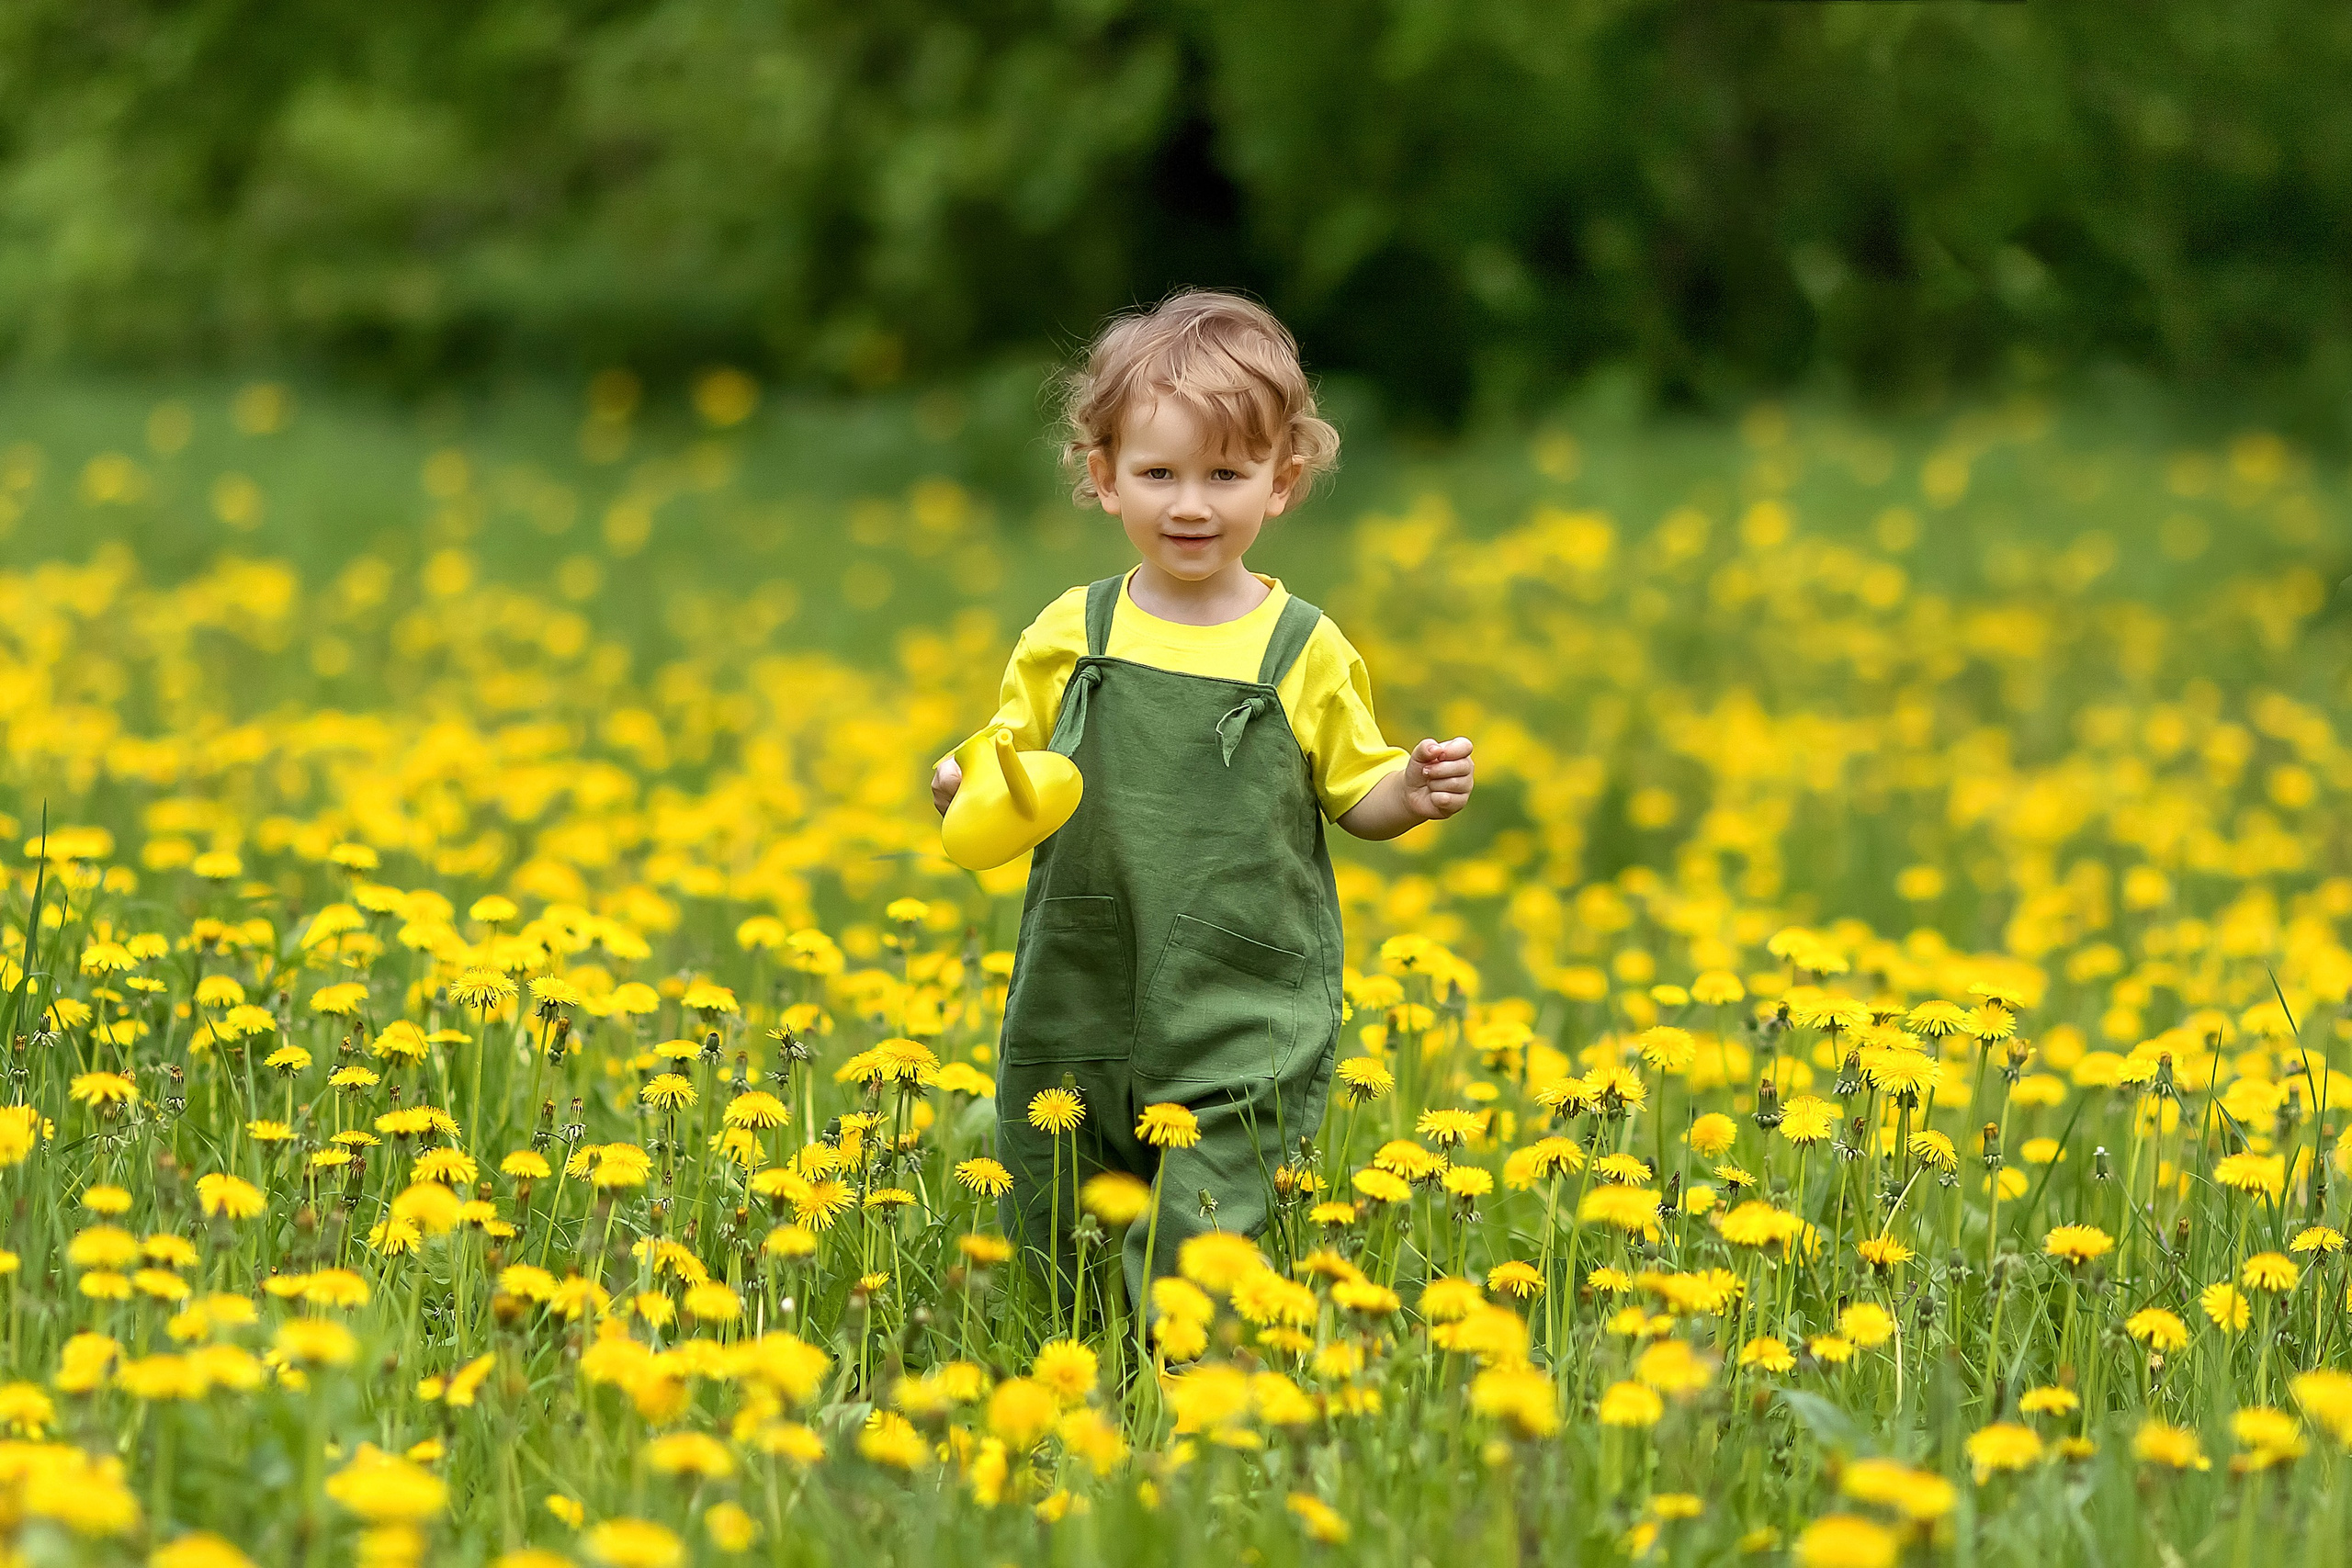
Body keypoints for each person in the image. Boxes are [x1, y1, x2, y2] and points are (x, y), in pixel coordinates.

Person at [932, 289, 1474, 1310]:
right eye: (1159, 474)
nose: (1191, 504)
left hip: (1239, 984)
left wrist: (1410, 788)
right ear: (1103, 477)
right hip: (1082, 973)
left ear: (1282, 482)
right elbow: (1007, 768)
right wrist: (960, 789)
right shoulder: (1070, 632)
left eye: (1225, 474)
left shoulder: (1303, 648)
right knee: (1060, 1183)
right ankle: (1064, 1353)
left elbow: (1357, 793)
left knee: (1209, 1200)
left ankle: (1183, 1368)